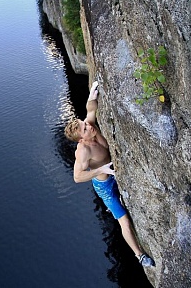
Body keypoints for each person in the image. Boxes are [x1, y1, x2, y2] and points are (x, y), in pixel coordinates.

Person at [64, 81, 155, 267]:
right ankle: (140, 256)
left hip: (111, 172)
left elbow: (90, 110)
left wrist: (92, 94)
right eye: (85, 129)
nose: (89, 126)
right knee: (125, 221)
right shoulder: (83, 152)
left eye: (84, 124)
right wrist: (100, 170)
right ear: (81, 139)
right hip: (105, 185)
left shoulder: (90, 126)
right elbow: (77, 177)